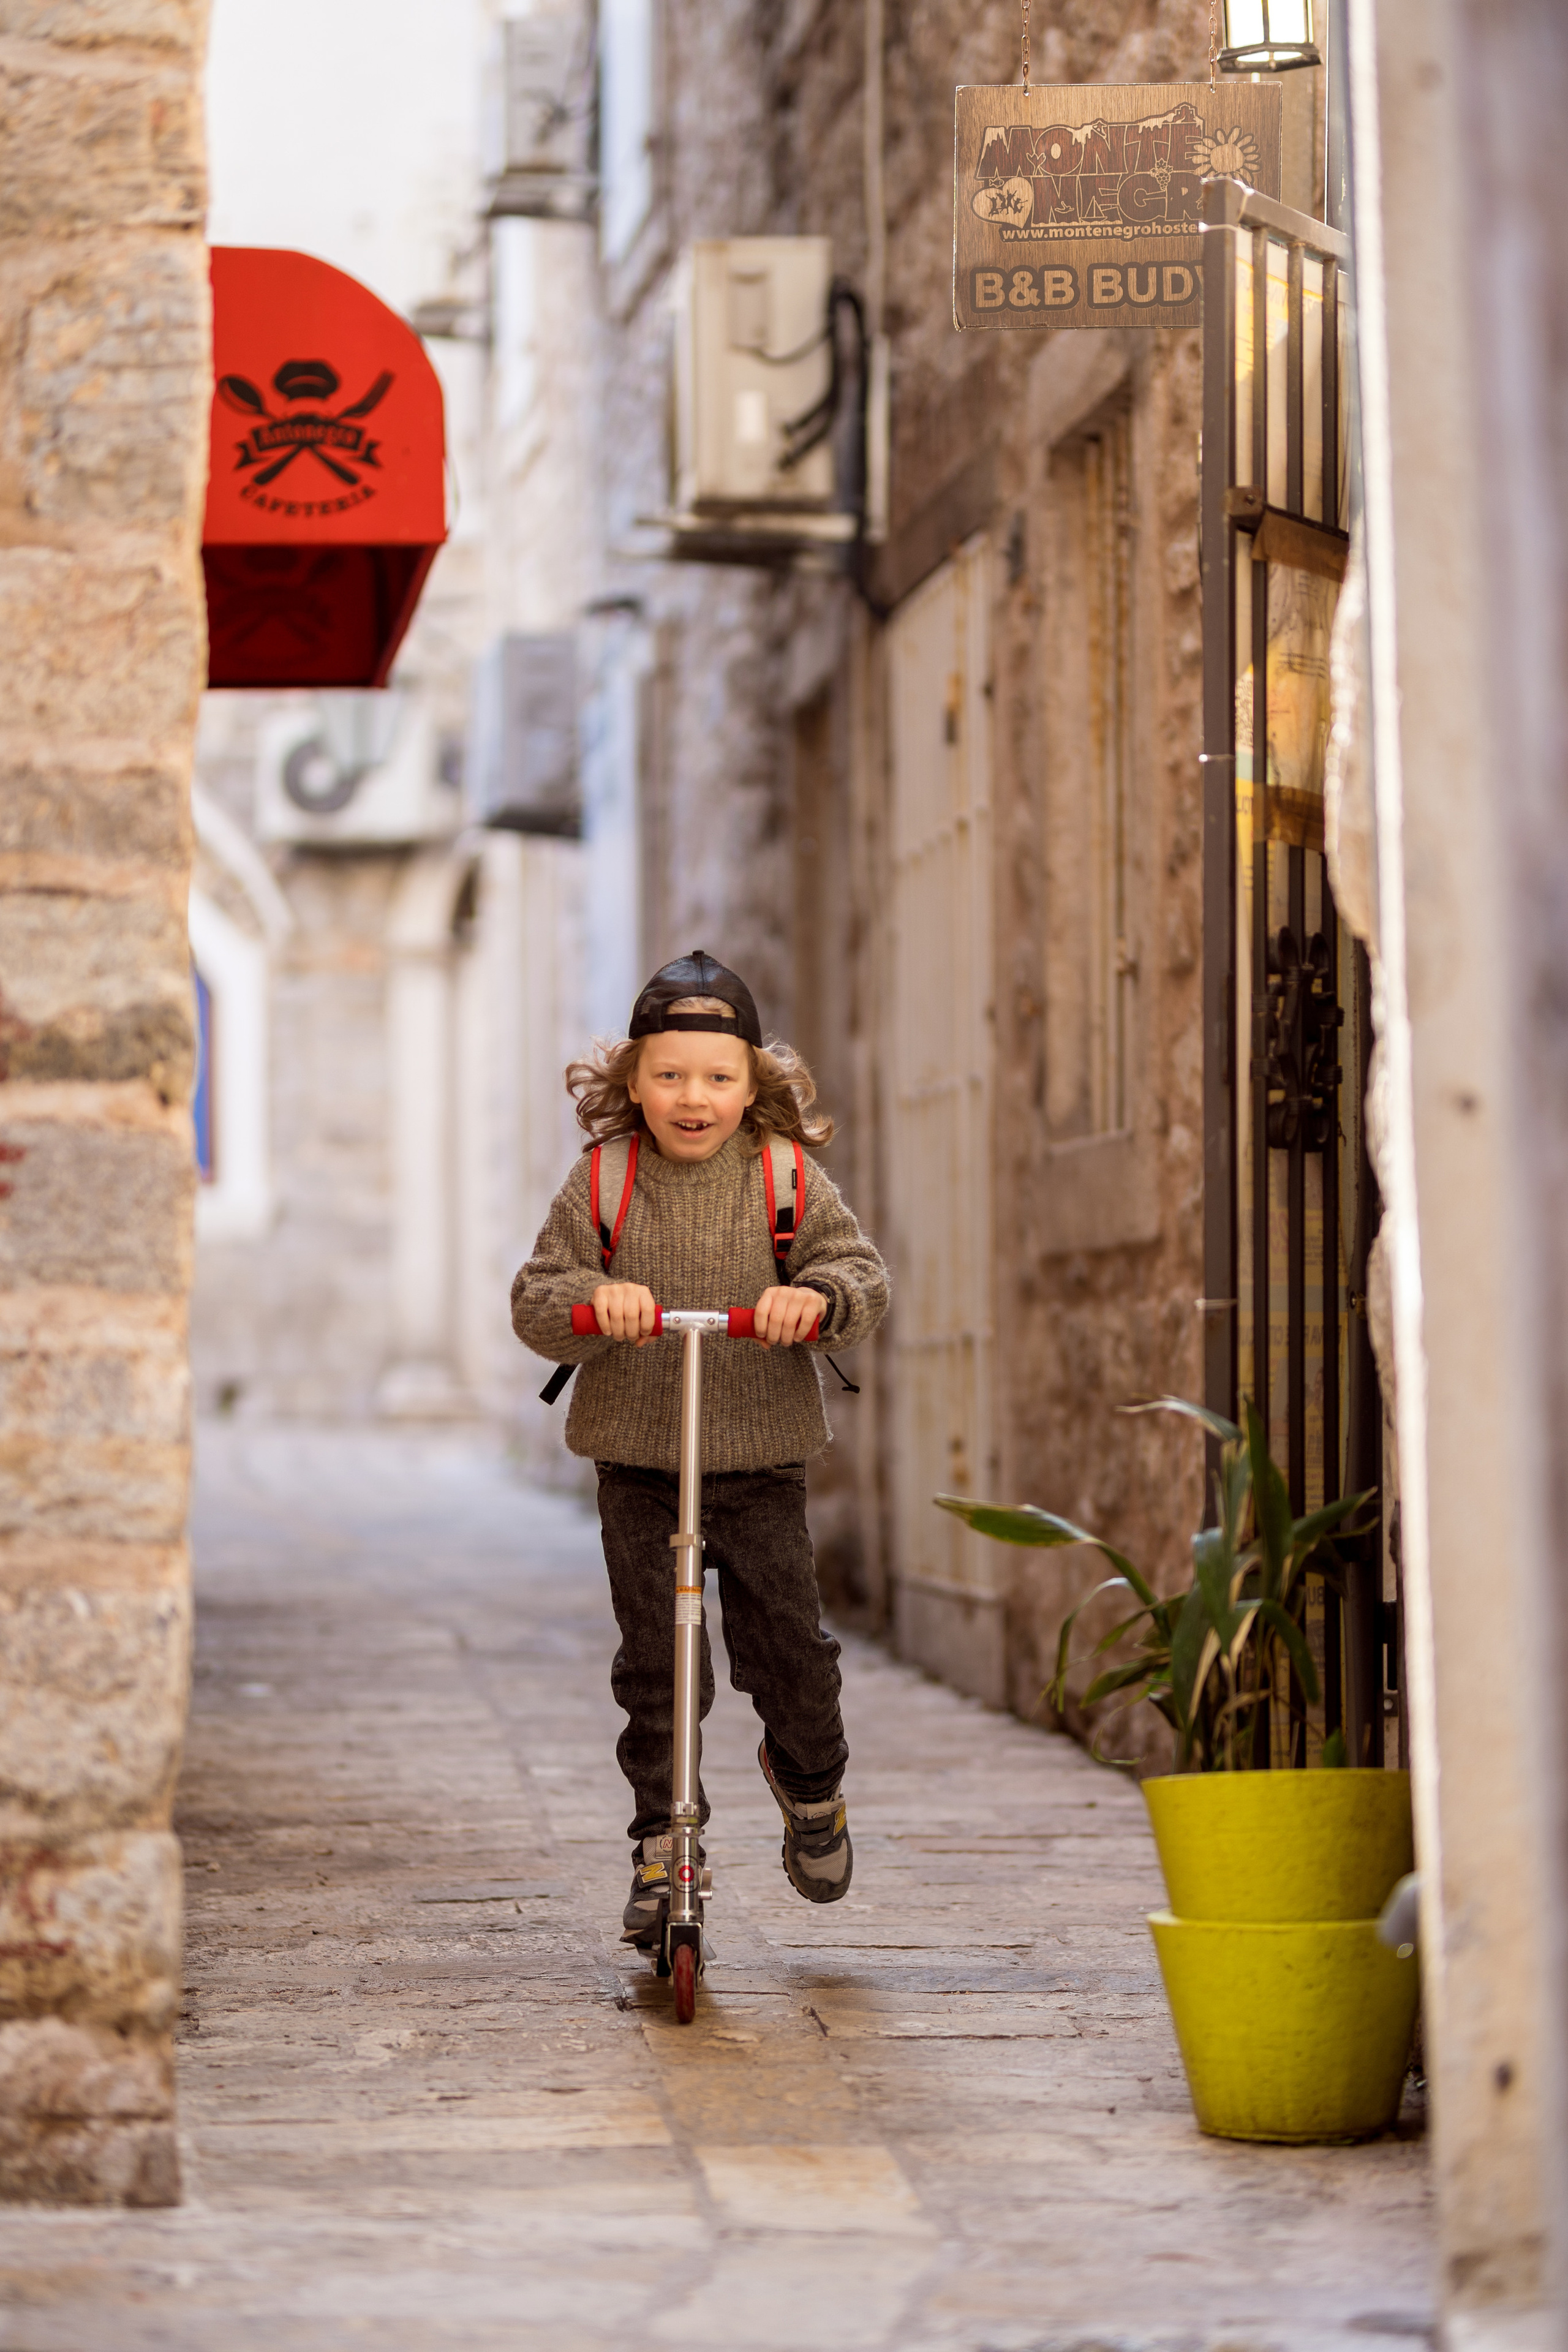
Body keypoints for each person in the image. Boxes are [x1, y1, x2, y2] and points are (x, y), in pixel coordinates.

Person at [511, 949, 889, 1948]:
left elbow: (859, 1272)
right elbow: (537, 1299)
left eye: (719, 1077)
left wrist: (817, 1296)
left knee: (789, 1655)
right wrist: (595, 1300)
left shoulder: (784, 1177)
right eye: (670, 1075)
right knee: (660, 1665)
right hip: (639, 1461)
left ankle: (812, 1787)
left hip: (758, 1459)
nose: (694, 1096)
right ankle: (660, 1845)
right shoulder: (603, 1180)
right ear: (631, 1081)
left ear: (753, 1085)